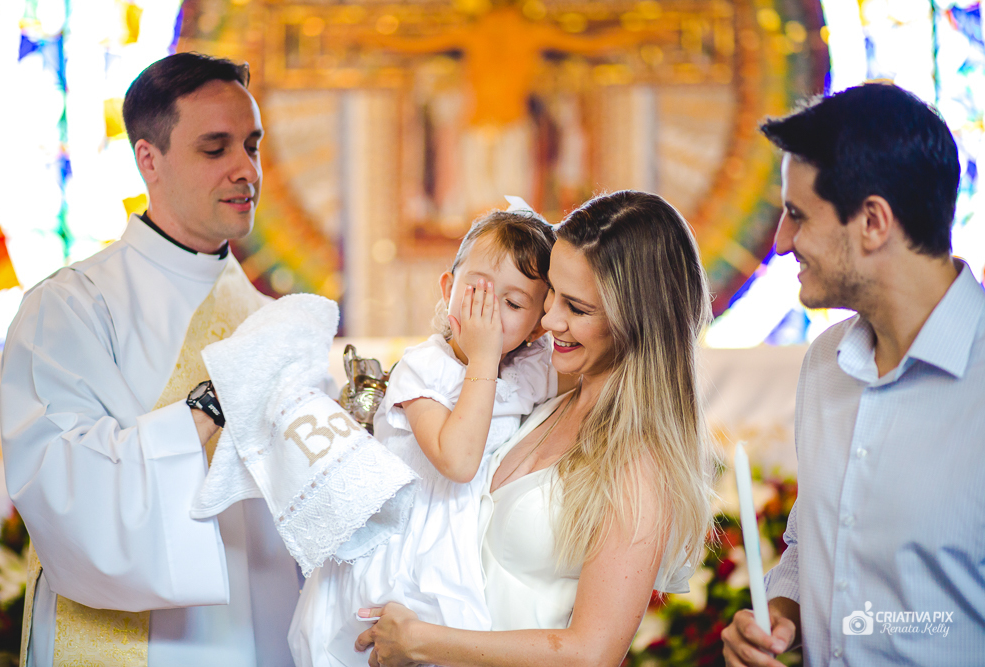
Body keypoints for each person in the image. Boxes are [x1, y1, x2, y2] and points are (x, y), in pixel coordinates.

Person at [1, 53, 309, 666]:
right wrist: (208, 408)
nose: (247, 170)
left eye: (252, 146)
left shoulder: (276, 321)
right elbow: (64, 488)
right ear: (149, 159)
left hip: (261, 630)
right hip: (140, 640)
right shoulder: (71, 307)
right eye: (215, 148)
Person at [352, 190, 716, 667]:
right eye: (550, 296)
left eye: (576, 308)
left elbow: (591, 654)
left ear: (638, 321)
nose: (549, 319)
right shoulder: (547, 398)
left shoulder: (638, 463)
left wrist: (420, 640)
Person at [721, 83, 985, 666]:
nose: (781, 243)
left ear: (872, 221)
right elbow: (814, 542)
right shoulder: (825, 364)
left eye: (796, 215)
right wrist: (779, 614)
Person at [289, 209, 564, 666]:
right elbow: (457, 462)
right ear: (447, 289)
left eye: (513, 304)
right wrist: (483, 359)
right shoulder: (425, 369)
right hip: (407, 551)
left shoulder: (529, 370)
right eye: (476, 292)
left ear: (538, 325)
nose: (487, 313)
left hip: (471, 547)